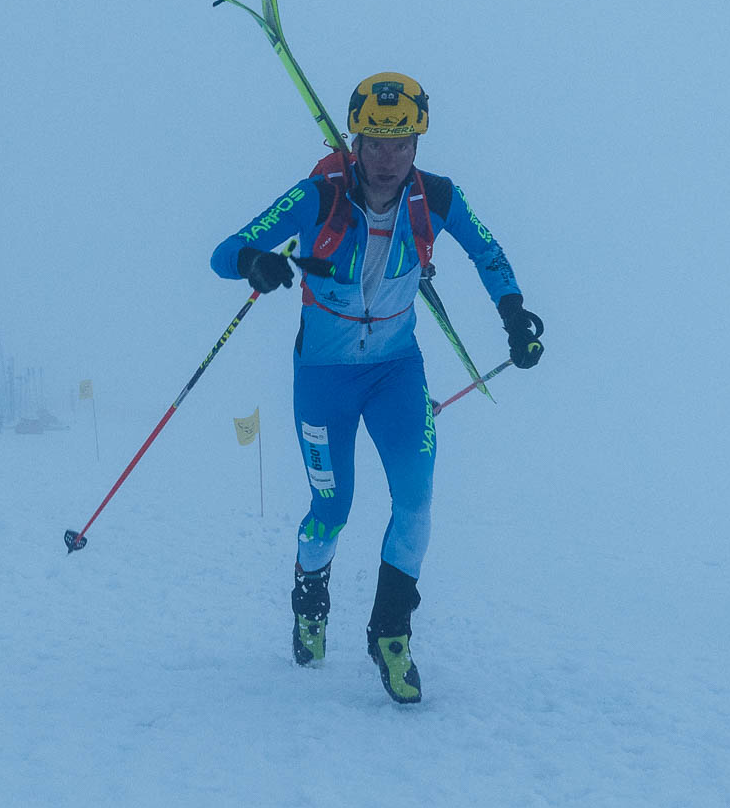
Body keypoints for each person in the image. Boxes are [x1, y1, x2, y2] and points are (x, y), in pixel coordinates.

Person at [208, 73, 544, 705]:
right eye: (376, 144)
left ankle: (391, 633)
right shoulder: (318, 195)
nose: (389, 160)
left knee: (416, 500)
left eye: (403, 144)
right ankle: (311, 596)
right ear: (355, 142)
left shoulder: (437, 197)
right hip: (323, 380)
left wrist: (514, 314)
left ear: (417, 143)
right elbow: (225, 252)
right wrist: (255, 262)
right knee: (333, 508)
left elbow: (488, 253)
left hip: (397, 371)